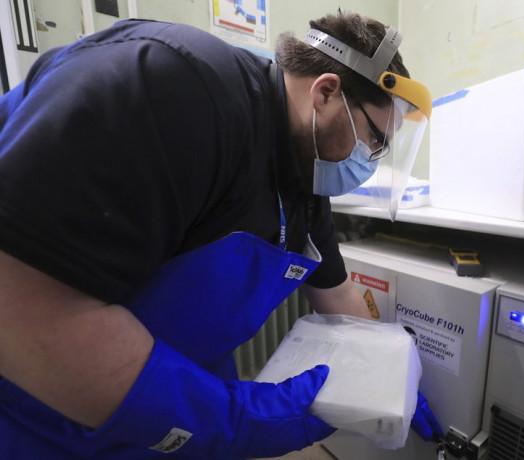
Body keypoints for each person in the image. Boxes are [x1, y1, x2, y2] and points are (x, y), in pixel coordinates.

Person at [0, 10, 440, 459]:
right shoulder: (173, 86)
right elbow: (24, 307)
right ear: (326, 93)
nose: (372, 162)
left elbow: (340, 298)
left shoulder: (305, 183)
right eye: (374, 141)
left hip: (168, 394)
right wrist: (235, 420)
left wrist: (391, 379)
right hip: (44, 410)